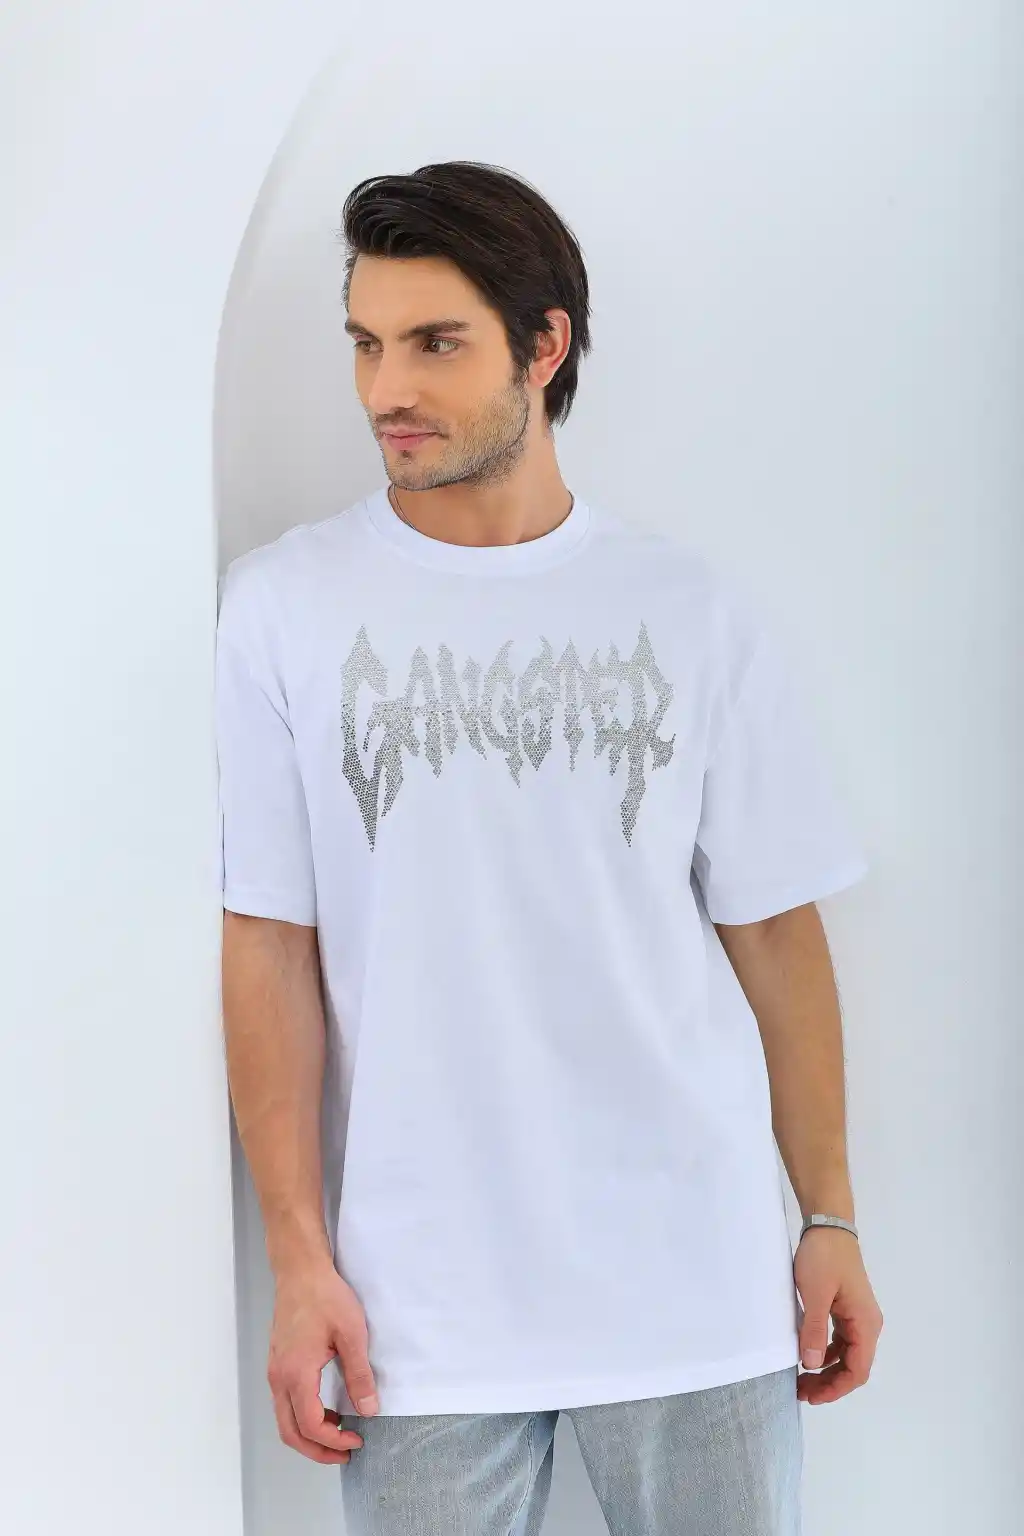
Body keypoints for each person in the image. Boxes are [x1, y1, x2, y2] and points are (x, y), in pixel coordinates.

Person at [215, 160, 883, 1535]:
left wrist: (830, 1215)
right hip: (417, 1312)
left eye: (434, 343)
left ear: (544, 345)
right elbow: (270, 944)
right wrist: (298, 1258)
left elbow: (773, 930)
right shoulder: (284, 609)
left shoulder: (688, 611)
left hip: (694, 1284)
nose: (386, 389)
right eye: (365, 344)